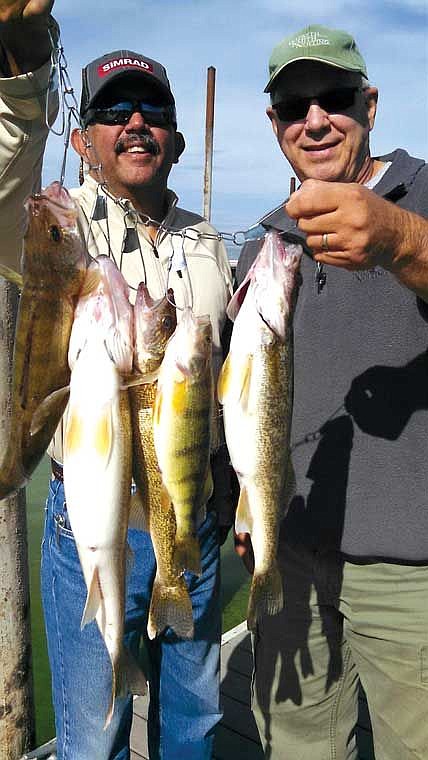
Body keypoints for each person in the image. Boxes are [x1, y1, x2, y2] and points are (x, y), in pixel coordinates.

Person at [0, 3, 234, 759]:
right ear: (81, 138)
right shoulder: (56, 225)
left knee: (194, 724)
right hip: (94, 519)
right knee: (93, 734)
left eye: (153, 109)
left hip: (188, 517)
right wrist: (25, 66)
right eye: (113, 109)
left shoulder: (208, 243)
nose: (135, 122)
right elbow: (9, 171)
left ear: (176, 137)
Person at [234, 24, 428, 760]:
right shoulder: (263, 245)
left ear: (370, 104)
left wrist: (400, 239)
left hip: (410, 577)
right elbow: (239, 403)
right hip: (287, 560)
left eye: (334, 99)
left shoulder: (421, 195)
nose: (314, 119)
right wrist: (239, 509)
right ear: (275, 124)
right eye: (292, 106)